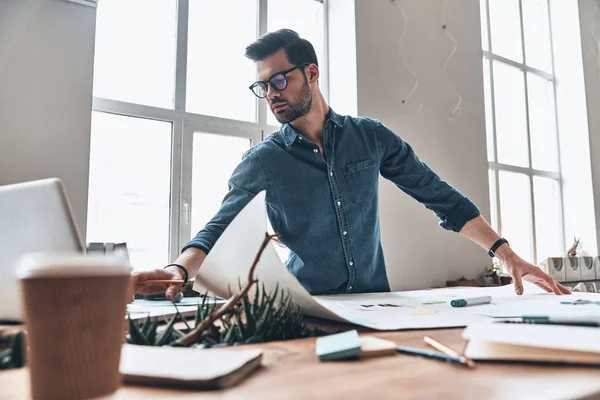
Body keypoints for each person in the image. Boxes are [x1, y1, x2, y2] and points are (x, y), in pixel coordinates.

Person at [133, 29, 570, 300]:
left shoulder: (371, 137)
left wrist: (507, 255)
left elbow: (439, 196)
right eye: (262, 86)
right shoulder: (264, 160)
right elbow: (218, 226)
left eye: (280, 80)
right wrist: (178, 270)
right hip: (308, 309)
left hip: (377, 306)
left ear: (312, 73)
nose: (272, 94)